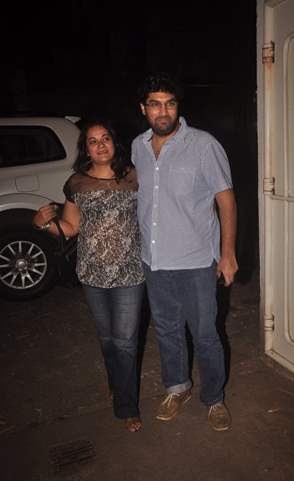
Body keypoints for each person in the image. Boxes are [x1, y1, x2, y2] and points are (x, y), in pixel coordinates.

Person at [132, 72, 238, 431]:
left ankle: (214, 398)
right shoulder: (137, 147)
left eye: (170, 103)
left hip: (195, 260)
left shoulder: (204, 144)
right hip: (154, 260)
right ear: (143, 108)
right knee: (166, 329)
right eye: (155, 104)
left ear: (178, 107)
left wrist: (227, 253)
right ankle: (177, 387)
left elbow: (226, 199)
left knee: (205, 332)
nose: (163, 111)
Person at [33, 118, 145, 433]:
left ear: (114, 143)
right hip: (92, 272)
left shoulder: (135, 177)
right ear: (86, 149)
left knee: (125, 342)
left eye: (105, 138)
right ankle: (116, 381)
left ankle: (126, 406)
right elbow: (70, 228)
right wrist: (42, 222)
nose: (100, 145)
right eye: (93, 141)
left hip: (130, 272)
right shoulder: (76, 183)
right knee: (108, 340)